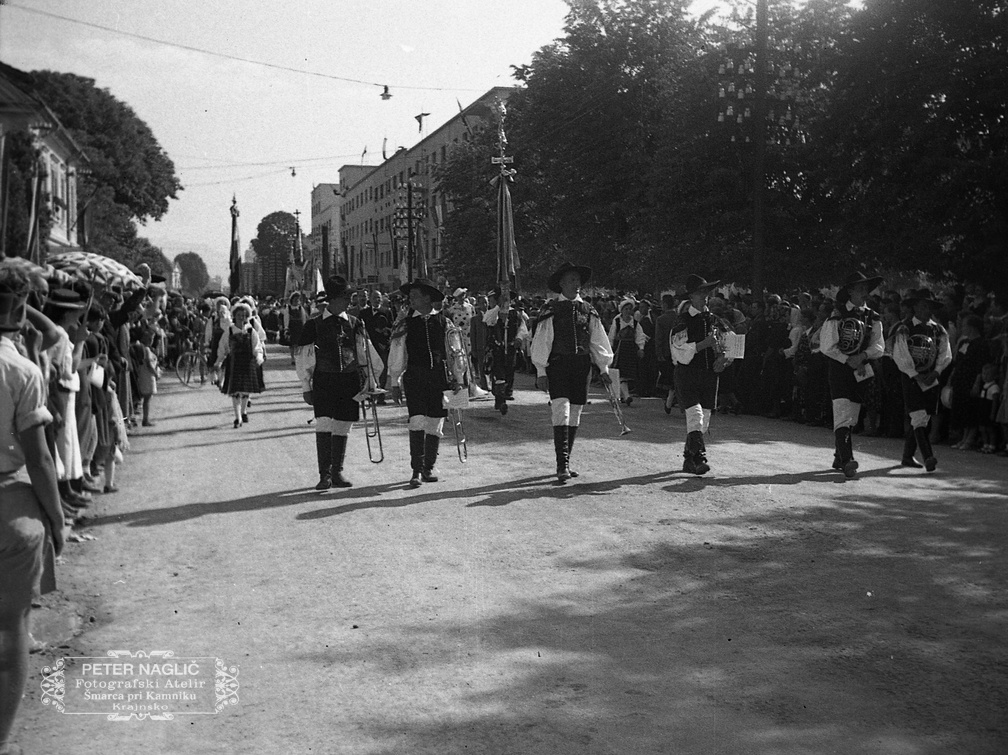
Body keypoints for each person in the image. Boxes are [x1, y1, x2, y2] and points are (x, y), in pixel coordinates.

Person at [0, 266, 66, 755]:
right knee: (10, 628)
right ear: (21, 309)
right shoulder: (21, 371)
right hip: (10, 512)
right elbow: (40, 459)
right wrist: (57, 520)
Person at [296, 276, 384, 490]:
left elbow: (366, 354)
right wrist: (306, 386)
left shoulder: (355, 323)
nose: (349, 302)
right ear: (334, 299)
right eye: (346, 297)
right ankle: (324, 474)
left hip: (349, 381)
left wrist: (371, 382)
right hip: (324, 381)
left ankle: (337, 472)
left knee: (344, 424)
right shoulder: (314, 325)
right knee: (324, 423)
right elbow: (304, 358)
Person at [530, 262, 614, 483]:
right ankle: (562, 465)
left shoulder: (589, 310)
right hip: (558, 365)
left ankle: (567, 462)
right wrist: (541, 371)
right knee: (561, 410)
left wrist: (603, 367)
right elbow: (542, 340)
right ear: (561, 283)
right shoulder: (551, 310)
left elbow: (598, 340)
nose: (576, 284)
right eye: (571, 280)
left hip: (581, 366)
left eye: (578, 280)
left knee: (576, 411)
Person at [387, 278, 453, 488]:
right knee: (417, 420)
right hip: (415, 377)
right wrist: (395, 381)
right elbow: (397, 353)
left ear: (427, 298)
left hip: (438, 378)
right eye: (410, 296)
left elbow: (455, 352)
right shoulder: (406, 324)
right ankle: (416, 469)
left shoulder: (444, 323)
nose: (411, 299)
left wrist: (459, 379)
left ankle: (428, 467)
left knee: (435, 422)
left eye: (415, 295)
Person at [819, 272, 886, 478]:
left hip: (861, 368)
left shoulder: (873, 317)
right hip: (840, 368)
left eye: (866, 289)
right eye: (860, 289)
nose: (864, 293)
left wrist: (863, 356)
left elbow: (879, 345)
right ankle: (848, 460)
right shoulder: (837, 314)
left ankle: (839, 455)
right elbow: (827, 345)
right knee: (842, 411)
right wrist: (847, 359)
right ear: (850, 291)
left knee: (853, 416)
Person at [670, 275, 734, 475]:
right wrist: (702, 345)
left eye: (706, 292)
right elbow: (677, 350)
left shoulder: (715, 320)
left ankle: (689, 459)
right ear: (690, 296)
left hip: (709, 375)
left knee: (703, 419)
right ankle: (699, 457)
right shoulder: (683, 321)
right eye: (699, 292)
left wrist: (724, 359)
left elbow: (733, 343)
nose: (704, 296)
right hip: (687, 373)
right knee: (695, 415)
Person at [891, 290, 952, 471]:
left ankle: (907, 456)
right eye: (923, 306)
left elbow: (945, 353)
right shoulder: (905, 328)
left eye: (930, 307)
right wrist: (915, 374)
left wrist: (937, 371)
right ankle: (928, 456)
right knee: (918, 415)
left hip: (930, 378)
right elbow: (900, 354)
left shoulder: (938, 329)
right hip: (911, 377)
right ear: (916, 307)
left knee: (922, 418)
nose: (927, 310)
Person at [215, 302, 264, 428]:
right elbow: (222, 347)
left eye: (243, 315)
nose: (241, 317)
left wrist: (258, 357)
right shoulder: (229, 331)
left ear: (247, 316)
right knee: (235, 391)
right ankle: (238, 418)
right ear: (234, 316)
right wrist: (219, 361)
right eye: (238, 315)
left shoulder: (251, 331)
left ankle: (243, 411)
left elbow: (257, 347)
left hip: (248, 363)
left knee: (245, 390)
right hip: (234, 363)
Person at [483, 286, 528, 415]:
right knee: (499, 373)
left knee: (509, 372)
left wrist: (519, 338)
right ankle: (500, 399)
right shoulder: (493, 312)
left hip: (511, 348)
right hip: (497, 349)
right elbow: (487, 320)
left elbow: (522, 327)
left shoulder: (515, 313)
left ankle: (505, 393)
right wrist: (498, 308)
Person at [608, 298, 646, 405]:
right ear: (622, 310)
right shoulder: (617, 321)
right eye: (626, 309)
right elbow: (611, 336)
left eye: (630, 309)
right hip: (619, 349)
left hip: (630, 350)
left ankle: (623, 395)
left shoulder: (635, 323)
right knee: (620, 373)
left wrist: (641, 348)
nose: (628, 311)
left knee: (626, 374)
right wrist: (610, 349)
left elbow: (640, 336)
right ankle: (626, 396)